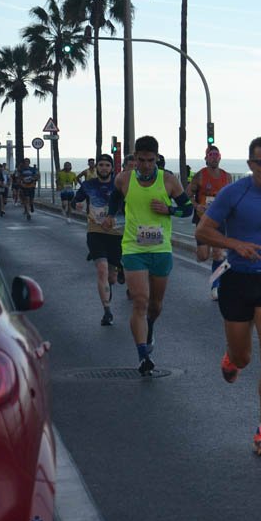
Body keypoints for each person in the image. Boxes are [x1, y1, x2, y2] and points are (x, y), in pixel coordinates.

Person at [195, 136, 261, 456]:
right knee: (243, 357)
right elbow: (203, 231)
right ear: (251, 165)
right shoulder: (233, 193)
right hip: (236, 280)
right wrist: (235, 245)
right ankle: (232, 359)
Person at [103, 135, 193, 375]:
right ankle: (143, 355)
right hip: (134, 248)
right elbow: (115, 199)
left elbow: (189, 210)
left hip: (161, 249)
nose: (145, 165)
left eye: (150, 160)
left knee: (155, 305)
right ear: (135, 157)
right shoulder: (124, 179)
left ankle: (150, 327)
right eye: (141, 160)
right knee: (140, 300)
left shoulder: (168, 181)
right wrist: (111, 215)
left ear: (157, 158)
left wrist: (169, 209)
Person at [74, 154, 123, 326]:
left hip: (117, 233)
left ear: (112, 168)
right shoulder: (88, 185)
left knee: (112, 278)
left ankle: (118, 269)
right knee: (101, 269)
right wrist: (78, 205)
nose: (103, 168)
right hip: (95, 231)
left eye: (107, 165)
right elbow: (76, 201)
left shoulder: (120, 185)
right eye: (101, 165)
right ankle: (107, 311)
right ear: (97, 168)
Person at [187, 145, 233, 300]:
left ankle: (216, 287)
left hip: (220, 220)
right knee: (203, 256)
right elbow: (188, 194)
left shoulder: (227, 177)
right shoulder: (200, 176)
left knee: (219, 254)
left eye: (216, 154)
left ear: (220, 157)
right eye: (210, 155)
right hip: (203, 220)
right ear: (206, 158)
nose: (213, 157)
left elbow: (232, 197)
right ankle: (219, 266)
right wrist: (197, 206)